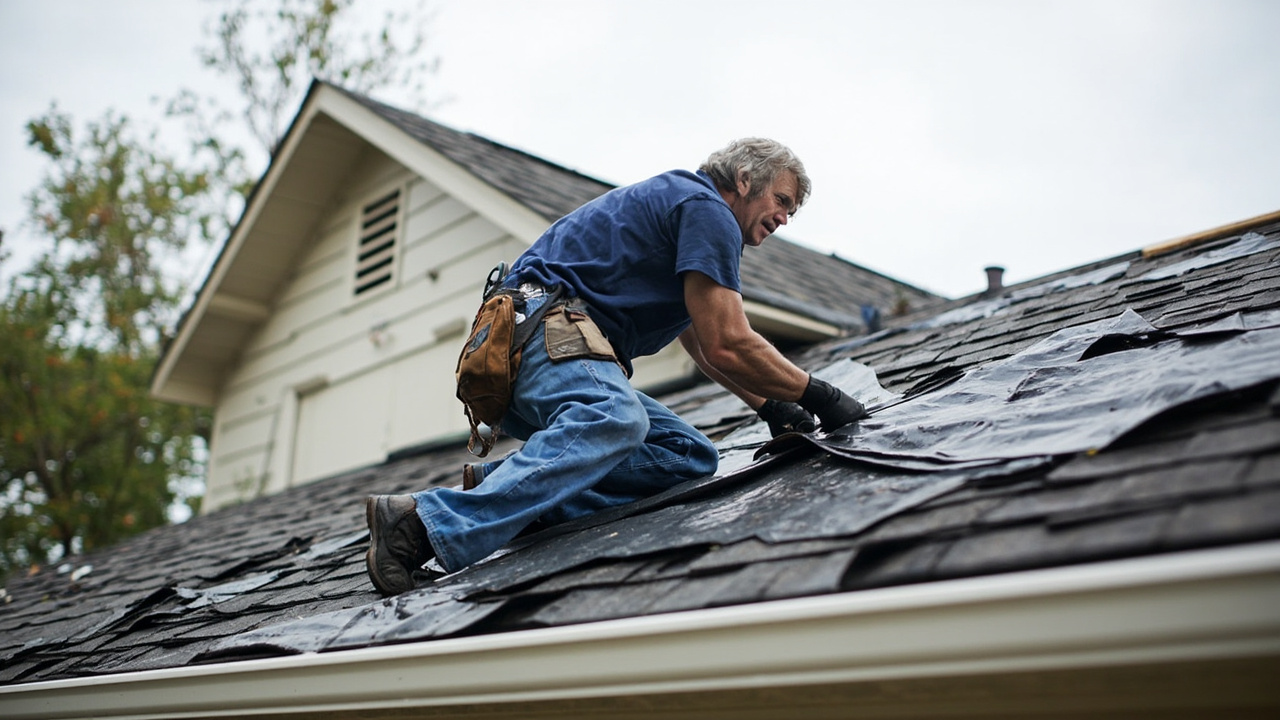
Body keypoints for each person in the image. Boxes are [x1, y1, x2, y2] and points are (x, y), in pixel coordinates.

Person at [365, 138, 868, 595]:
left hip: (527, 353)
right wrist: (819, 395)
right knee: (617, 417)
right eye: (781, 201)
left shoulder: (681, 220)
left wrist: (771, 405)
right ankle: (425, 523)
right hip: (543, 337)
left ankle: (504, 488)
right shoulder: (707, 209)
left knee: (688, 456)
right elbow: (729, 341)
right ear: (743, 180)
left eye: (792, 212)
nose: (784, 218)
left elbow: (703, 343)